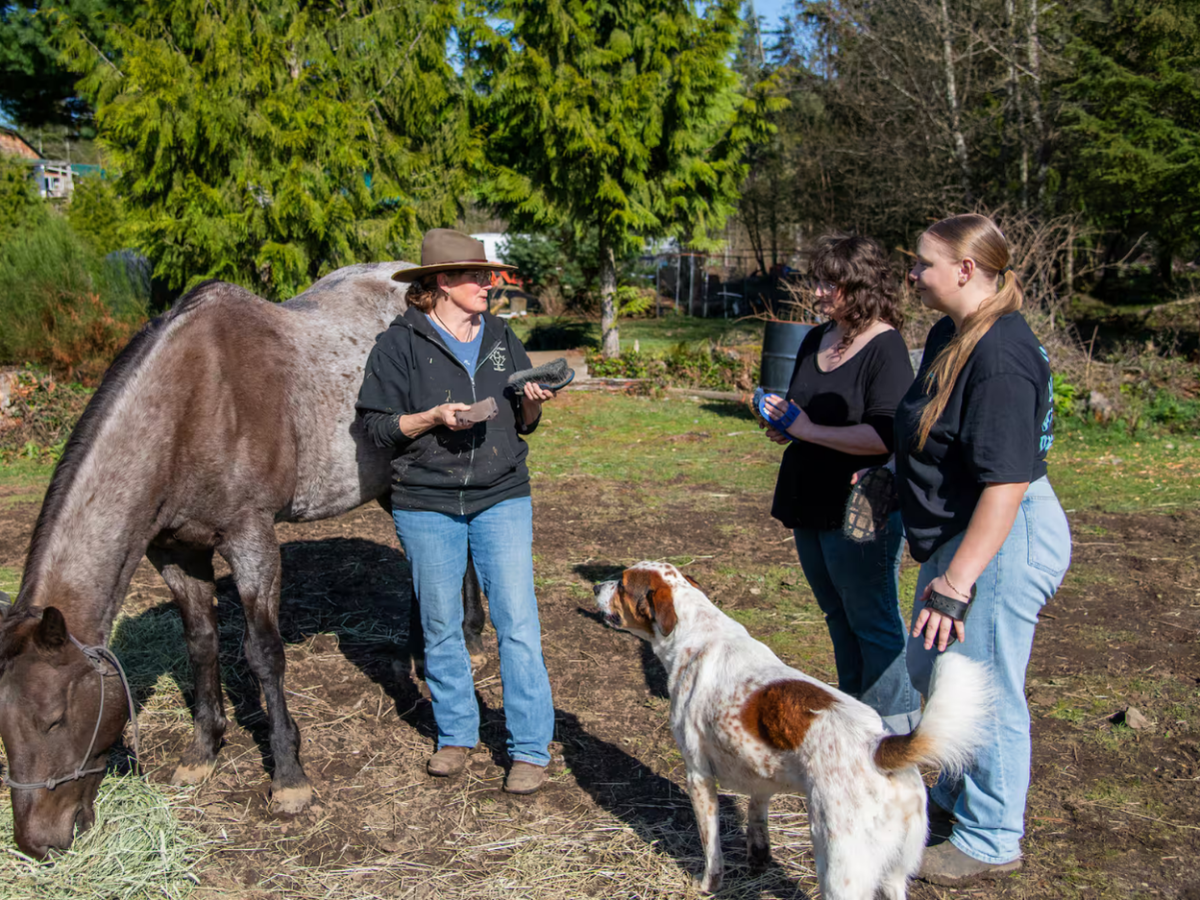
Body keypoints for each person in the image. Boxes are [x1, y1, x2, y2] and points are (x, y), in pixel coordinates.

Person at [896, 213, 1071, 884]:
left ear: (966, 270)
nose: (913, 274)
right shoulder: (954, 332)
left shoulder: (1002, 357)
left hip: (1000, 536)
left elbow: (1006, 484)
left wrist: (956, 582)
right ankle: (952, 792)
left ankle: (991, 835)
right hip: (960, 532)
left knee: (985, 684)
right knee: (929, 668)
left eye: (923, 264)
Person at [356, 229, 557, 795]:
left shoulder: (499, 335)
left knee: (517, 622)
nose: (487, 285)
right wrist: (431, 418)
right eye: (475, 276)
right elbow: (375, 426)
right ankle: (457, 735)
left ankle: (529, 748)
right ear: (441, 283)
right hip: (426, 501)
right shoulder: (398, 346)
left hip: (502, 493)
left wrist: (533, 405)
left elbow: (522, 422)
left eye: (487, 275)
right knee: (441, 625)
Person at [760, 233, 922, 734]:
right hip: (808, 499)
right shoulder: (816, 338)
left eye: (830, 283)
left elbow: (885, 435)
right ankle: (857, 722)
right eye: (817, 281)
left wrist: (807, 429)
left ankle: (896, 732)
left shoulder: (886, 346)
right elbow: (804, 410)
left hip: (860, 504)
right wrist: (784, 423)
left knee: (872, 620)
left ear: (861, 285)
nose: (817, 293)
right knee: (836, 614)